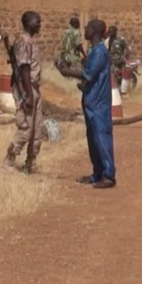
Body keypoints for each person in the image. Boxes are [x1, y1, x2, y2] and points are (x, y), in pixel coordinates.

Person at [57, 19, 116, 189]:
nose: (84, 29)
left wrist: (66, 72)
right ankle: (98, 173)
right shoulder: (93, 51)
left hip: (98, 103)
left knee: (102, 138)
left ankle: (108, 175)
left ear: (95, 31)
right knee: (93, 139)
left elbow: (89, 75)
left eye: (88, 27)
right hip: (91, 101)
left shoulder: (99, 52)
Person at [5, 11, 44, 174]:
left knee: (37, 128)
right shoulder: (24, 42)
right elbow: (25, 69)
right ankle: (10, 159)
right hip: (25, 88)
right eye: (37, 21)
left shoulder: (30, 41)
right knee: (26, 127)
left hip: (33, 88)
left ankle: (31, 162)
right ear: (28, 22)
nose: (39, 24)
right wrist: (27, 94)